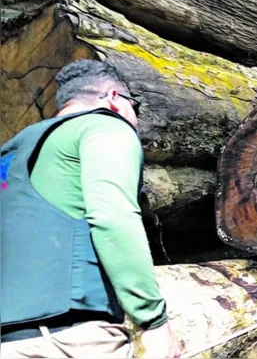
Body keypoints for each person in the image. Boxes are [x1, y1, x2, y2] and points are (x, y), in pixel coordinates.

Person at [1, 60, 181, 358]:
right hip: (68, 340)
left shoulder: (11, 152)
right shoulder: (103, 126)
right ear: (113, 98)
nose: (134, 120)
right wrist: (154, 321)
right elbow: (113, 216)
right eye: (135, 108)